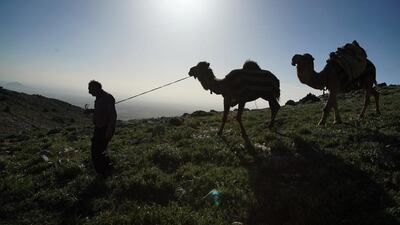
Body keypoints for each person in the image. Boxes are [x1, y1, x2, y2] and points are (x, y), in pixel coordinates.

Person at [84, 80, 117, 175]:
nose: (89, 92)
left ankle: (104, 172)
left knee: (97, 152)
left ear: (97, 88)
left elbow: (113, 116)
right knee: (99, 151)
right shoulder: (99, 98)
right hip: (99, 129)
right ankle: (106, 170)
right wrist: (91, 111)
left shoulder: (108, 98)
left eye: (90, 89)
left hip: (105, 129)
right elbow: (101, 110)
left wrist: (109, 131)